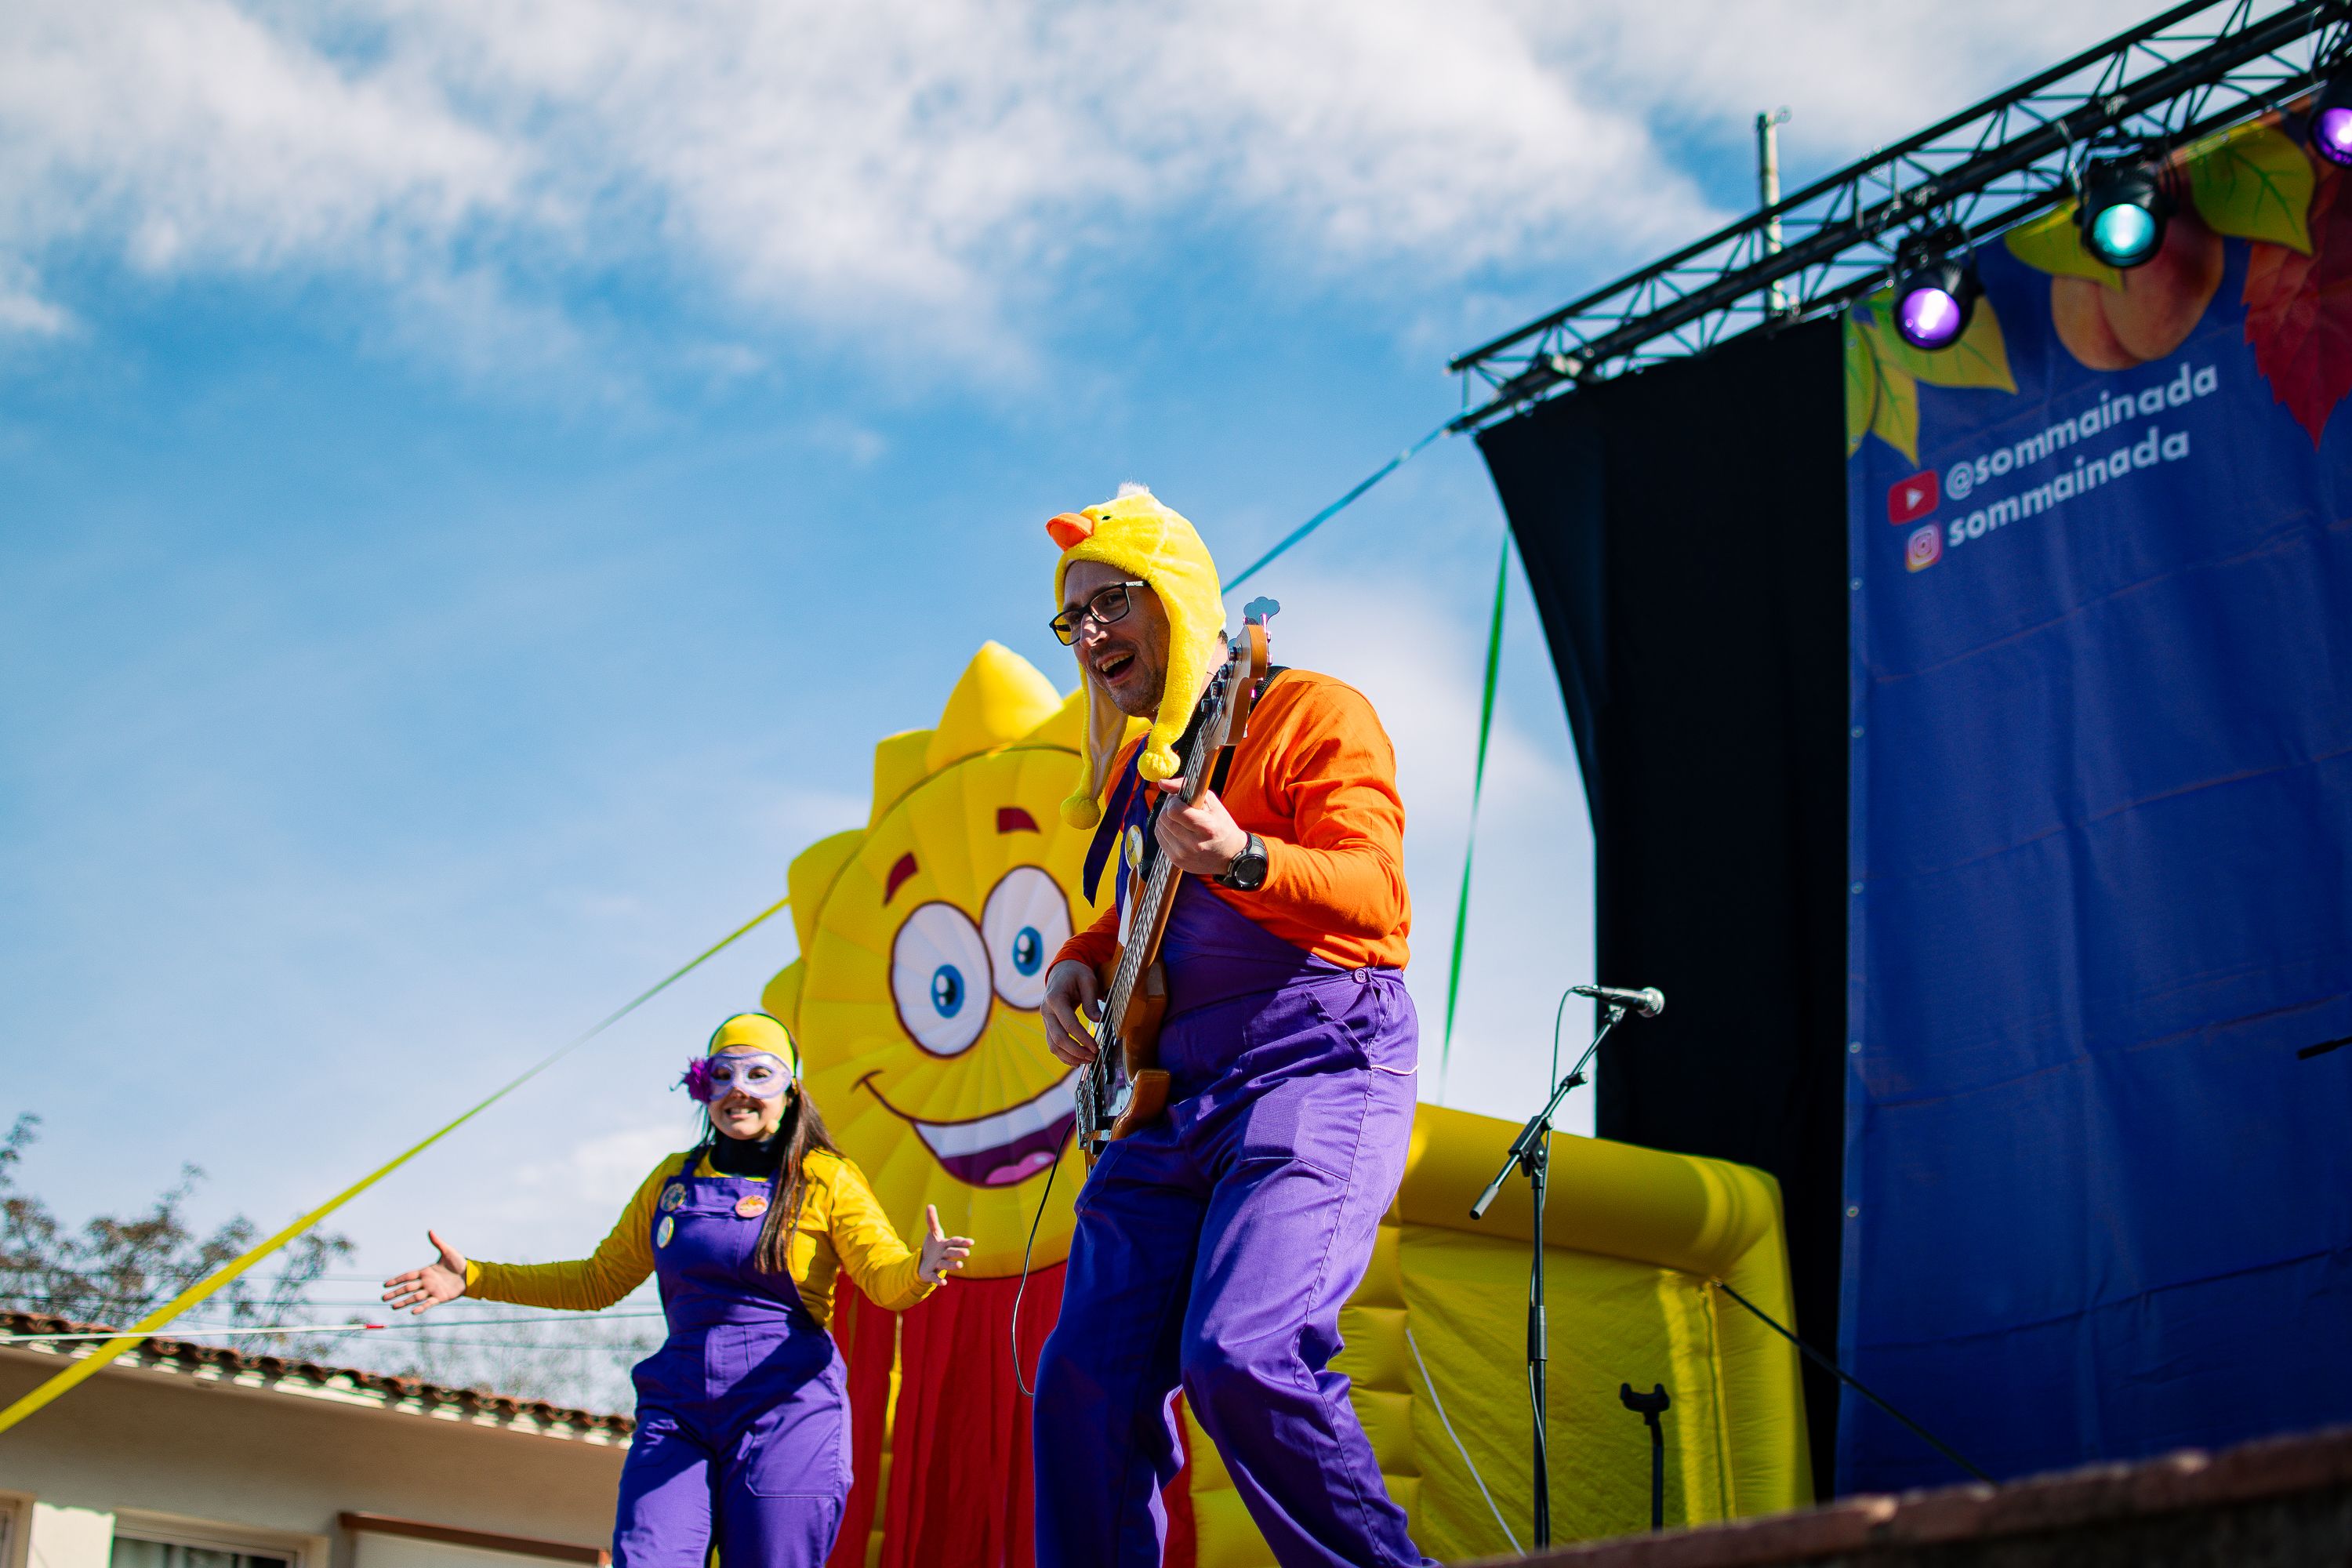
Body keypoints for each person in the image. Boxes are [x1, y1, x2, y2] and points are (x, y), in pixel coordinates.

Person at [1031, 485, 1430, 1568]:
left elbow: (1377, 901)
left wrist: (1245, 854)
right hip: (1169, 1103)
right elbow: (1142, 906)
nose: (1093, 633)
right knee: (1079, 1387)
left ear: (1179, 596)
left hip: (1314, 1059)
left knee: (1246, 1353)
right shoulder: (1142, 769)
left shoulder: (1312, 712)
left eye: (1112, 601)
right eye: (1074, 619)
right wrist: (1077, 968)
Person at [382, 1013, 972, 1568]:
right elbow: (598, 1280)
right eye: (721, 1074)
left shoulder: (825, 1176)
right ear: (703, 1088)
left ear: (791, 1091)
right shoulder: (671, 1180)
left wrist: (920, 1268)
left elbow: (882, 1277)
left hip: (785, 1408)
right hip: (679, 1406)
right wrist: (476, 1278)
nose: (738, 1090)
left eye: (758, 1074)